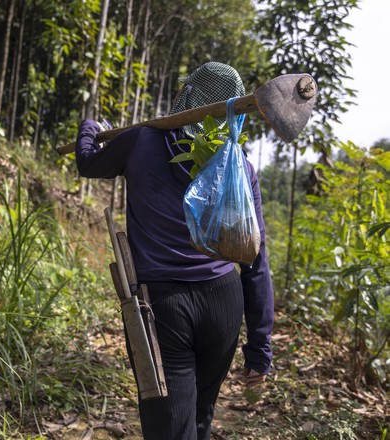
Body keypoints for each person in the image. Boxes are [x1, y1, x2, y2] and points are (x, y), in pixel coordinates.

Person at [74, 62, 274, 440]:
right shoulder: (240, 168)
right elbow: (256, 263)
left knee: (168, 423)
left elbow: (87, 163)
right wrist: (259, 348)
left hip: (162, 308)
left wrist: (90, 129)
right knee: (199, 418)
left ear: (186, 98)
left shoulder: (141, 140)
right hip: (224, 303)